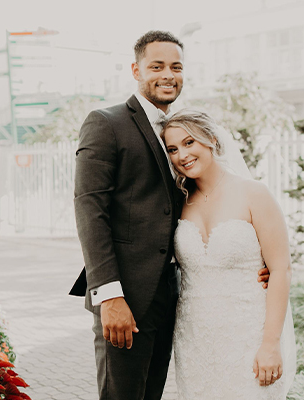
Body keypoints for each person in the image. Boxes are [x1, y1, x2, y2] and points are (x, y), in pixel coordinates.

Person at [70, 30, 269, 400]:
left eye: (176, 67)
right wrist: (109, 296)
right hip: (123, 298)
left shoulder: (180, 133)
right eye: (156, 66)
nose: (167, 74)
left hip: (171, 299)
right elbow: (89, 211)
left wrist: (254, 259)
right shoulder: (106, 123)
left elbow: (205, 204)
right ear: (136, 70)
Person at [161, 109, 296, 399]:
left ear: (210, 139)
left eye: (189, 143)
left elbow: (281, 270)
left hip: (248, 332)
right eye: (172, 149)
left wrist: (271, 344)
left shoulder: (253, 194)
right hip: (194, 337)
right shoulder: (176, 201)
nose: (181, 155)